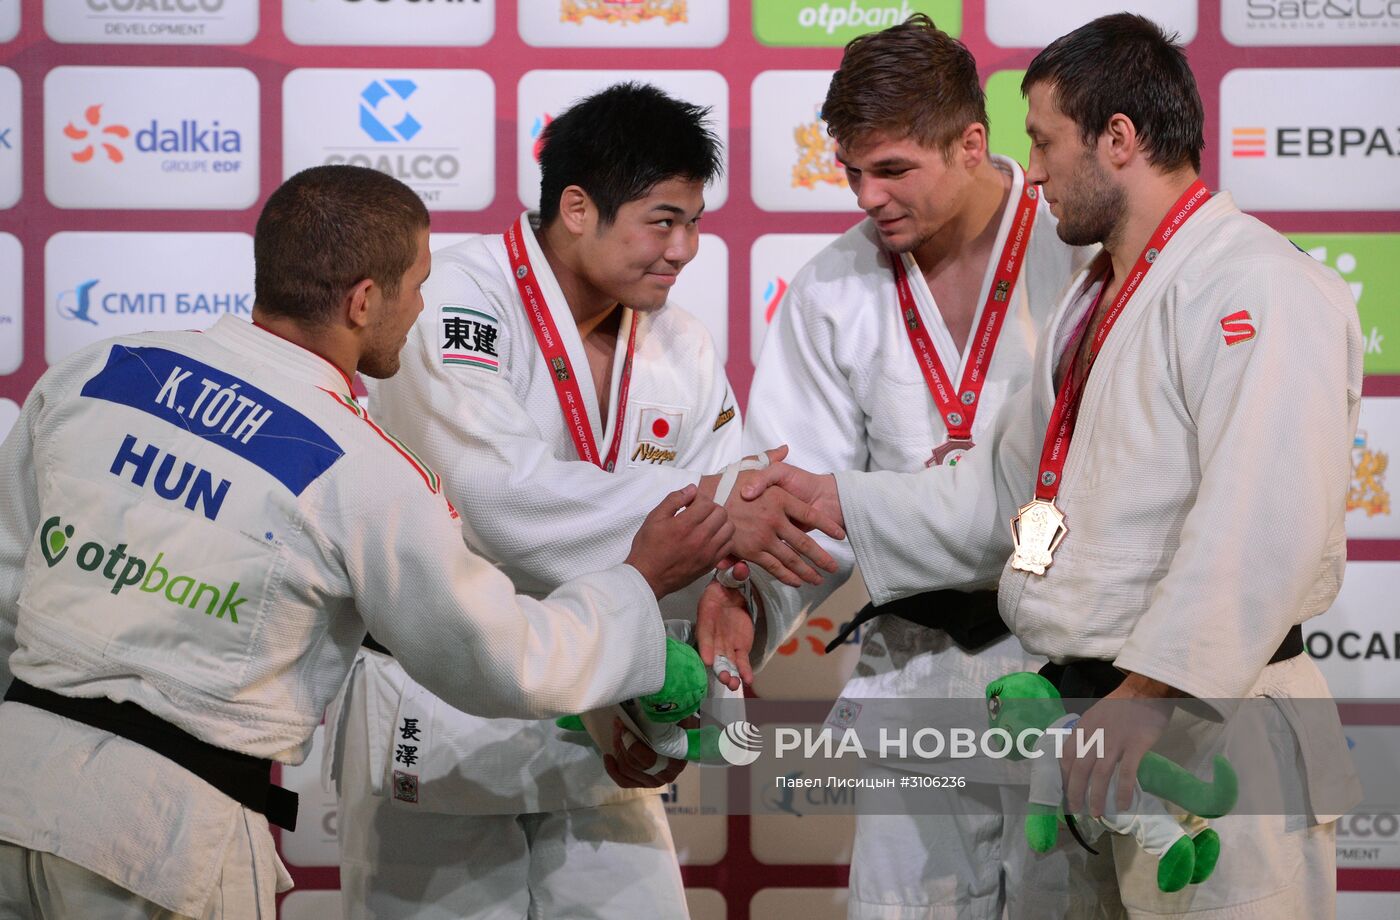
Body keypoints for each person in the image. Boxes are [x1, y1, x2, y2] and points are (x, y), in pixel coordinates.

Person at [738, 13, 1363, 918]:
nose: (1030, 171)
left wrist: (1152, 690)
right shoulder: (1096, 296)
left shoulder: (1258, 285)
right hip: (1084, 719)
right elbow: (1010, 496)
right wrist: (837, 499)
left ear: (1118, 140)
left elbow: (1260, 525)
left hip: (1208, 720)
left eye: (1042, 141)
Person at [0, 164, 735, 919]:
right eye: (417, 285)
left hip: (13, 784)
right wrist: (637, 580)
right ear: (363, 301)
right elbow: (502, 658)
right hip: (160, 839)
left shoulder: (96, 373)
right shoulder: (362, 467)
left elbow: (6, 591)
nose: (422, 308)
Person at [328, 82, 843, 920]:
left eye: (695, 223)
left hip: (600, 715)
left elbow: (712, 544)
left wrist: (691, 656)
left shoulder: (680, 341)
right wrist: (718, 504)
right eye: (662, 220)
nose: (683, 250)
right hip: (450, 701)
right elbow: (493, 498)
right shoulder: (455, 299)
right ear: (576, 208)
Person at [733, 15, 1109, 920]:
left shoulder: (1083, 249)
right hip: (913, 667)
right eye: (851, 169)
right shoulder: (828, 288)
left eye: (893, 168)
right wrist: (744, 609)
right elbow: (799, 510)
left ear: (972, 144)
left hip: (1067, 659)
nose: (866, 194)